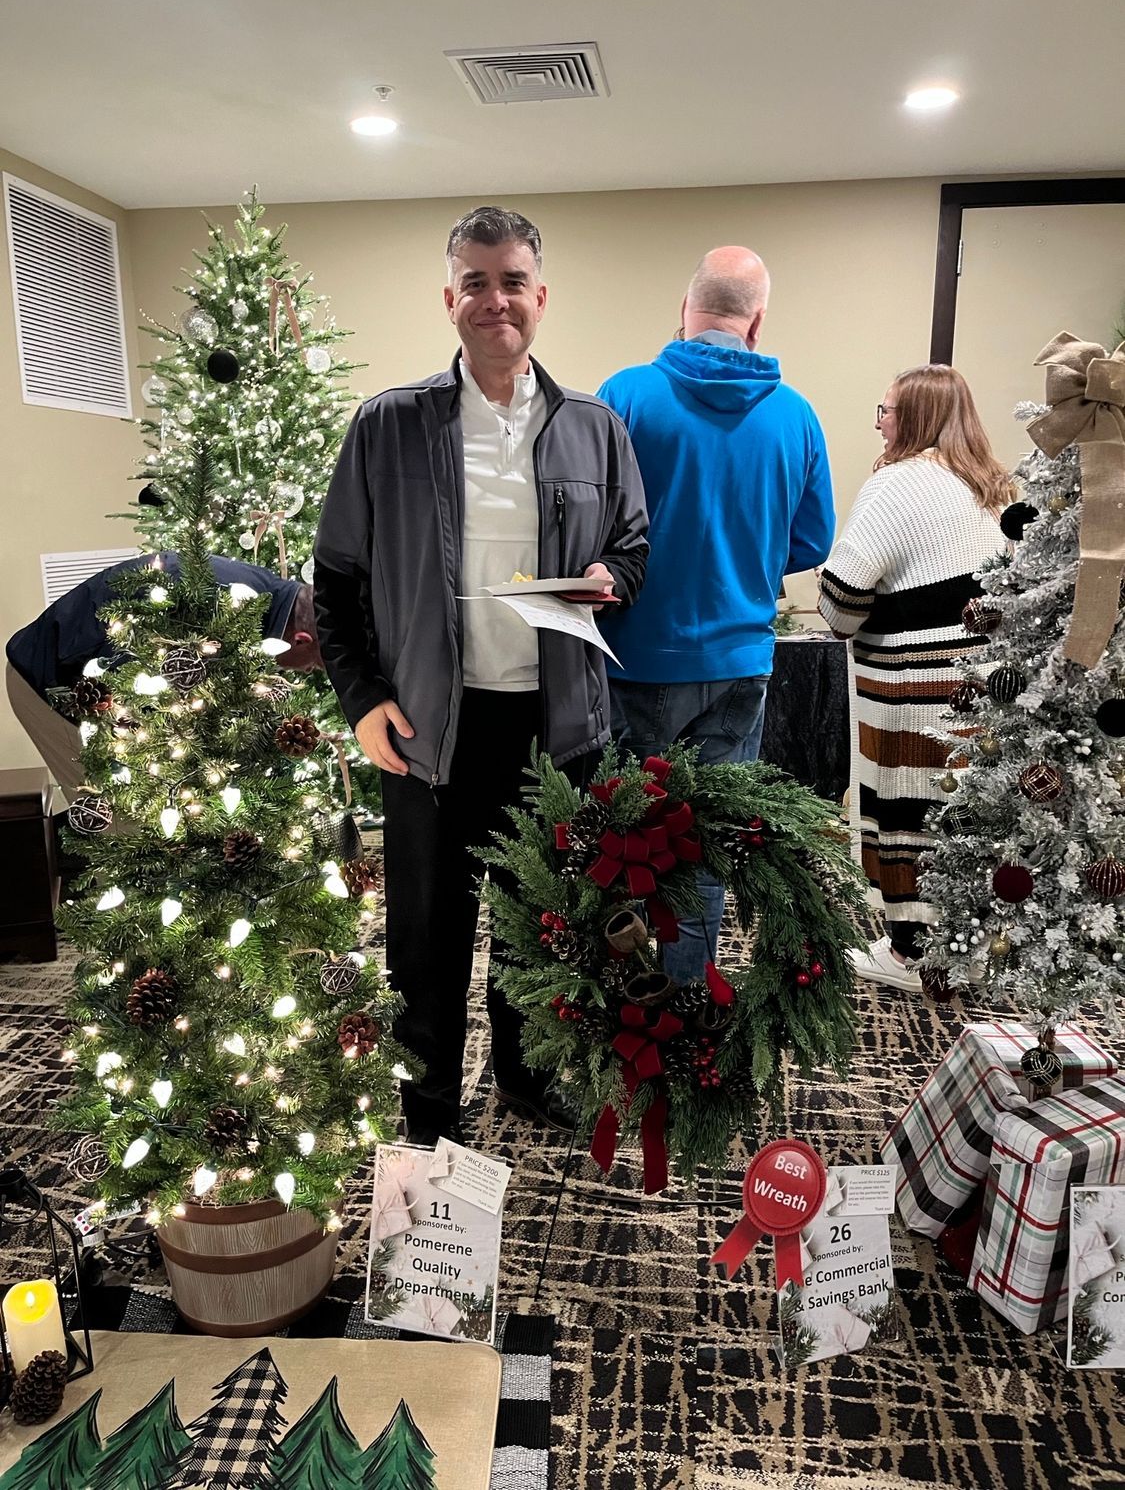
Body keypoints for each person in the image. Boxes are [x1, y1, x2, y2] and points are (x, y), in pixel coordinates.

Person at [313, 205, 648, 1145]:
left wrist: (608, 578)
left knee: (534, 924)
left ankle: (523, 1076)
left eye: (512, 282)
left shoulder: (594, 427)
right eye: (475, 281)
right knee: (426, 937)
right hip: (428, 728)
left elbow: (632, 548)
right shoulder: (388, 426)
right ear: (449, 297)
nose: (493, 300)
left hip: (554, 729)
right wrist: (362, 700)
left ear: (540, 298)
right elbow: (335, 584)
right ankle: (426, 1109)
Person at [596, 246, 834, 982]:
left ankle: (613, 1001)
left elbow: (585, 521)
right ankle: (685, 994)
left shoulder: (625, 395)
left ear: (683, 310)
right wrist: (743, 556)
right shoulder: (796, 416)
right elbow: (810, 540)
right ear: (755, 322)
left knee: (621, 838)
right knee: (701, 840)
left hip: (636, 658)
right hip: (739, 665)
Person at [817, 364, 1012, 991]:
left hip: (910, 688)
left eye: (887, 410)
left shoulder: (898, 485)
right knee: (962, 819)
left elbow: (841, 599)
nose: (881, 423)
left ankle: (909, 955)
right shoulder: (995, 488)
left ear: (913, 419)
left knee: (906, 814)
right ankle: (968, 948)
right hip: (983, 686)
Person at [6, 553, 321, 804]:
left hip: (79, 670)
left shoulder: (262, 599)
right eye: (316, 665)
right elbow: (132, 680)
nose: (308, 671)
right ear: (302, 640)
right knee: (117, 813)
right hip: (50, 683)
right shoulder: (225, 607)